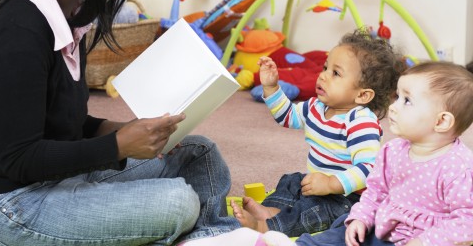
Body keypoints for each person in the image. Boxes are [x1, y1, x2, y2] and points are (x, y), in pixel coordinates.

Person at [0, 0, 239, 245]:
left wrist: (119, 129)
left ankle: (209, 238)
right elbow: (19, 159)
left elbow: (61, 122)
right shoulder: (19, 30)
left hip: (59, 178)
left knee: (200, 152)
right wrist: (118, 146)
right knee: (179, 202)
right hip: (14, 204)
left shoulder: (71, 21)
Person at [183, 61, 473, 246]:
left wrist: (425, 241)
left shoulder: (457, 167)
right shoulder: (393, 150)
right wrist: (361, 218)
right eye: (397, 96)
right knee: (335, 228)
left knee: (331, 212)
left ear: (442, 122)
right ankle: (281, 240)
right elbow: (374, 193)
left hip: (412, 236)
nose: (394, 107)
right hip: (378, 224)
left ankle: (272, 224)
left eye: (407, 101)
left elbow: (467, 220)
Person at [230, 31, 405, 237]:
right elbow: (287, 116)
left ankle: (268, 226)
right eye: (325, 68)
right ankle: (271, 210)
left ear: (362, 95)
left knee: (317, 211)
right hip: (318, 182)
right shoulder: (315, 106)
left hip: (347, 198)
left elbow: (369, 170)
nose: (323, 75)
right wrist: (271, 87)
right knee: (291, 181)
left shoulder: (361, 122)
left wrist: (331, 184)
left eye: (335, 73)